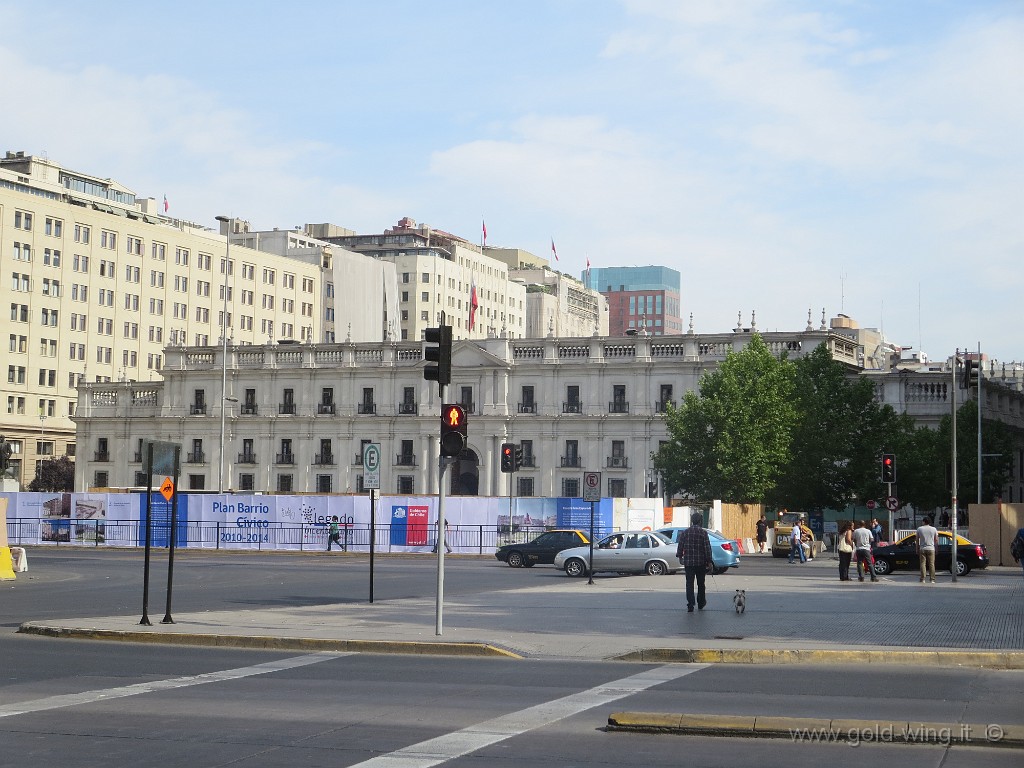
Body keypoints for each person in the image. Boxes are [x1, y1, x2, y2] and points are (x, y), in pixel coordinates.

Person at [676, 512, 714, 613]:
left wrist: (680, 556)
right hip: (700, 563)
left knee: (689, 584)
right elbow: (707, 548)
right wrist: (709, 561)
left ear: (692, 521)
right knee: (701, 584)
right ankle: (701, 603)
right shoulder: (703, 533)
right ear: (700, 521)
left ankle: (691, 604)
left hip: (688, 563)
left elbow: (680, 546)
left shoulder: (685, 533)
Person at [916, 514, 939, 583]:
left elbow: (917, 540)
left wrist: (917, 549)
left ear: (924, 522)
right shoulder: (934, 529)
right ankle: (932, 579)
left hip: (922, 548)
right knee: (931, 564)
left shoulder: (919, 529)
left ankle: (923, 579)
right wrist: (936, 549)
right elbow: (936, 540)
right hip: (931, 548)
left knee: (923, 564)